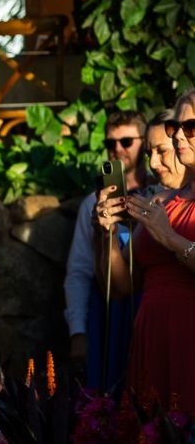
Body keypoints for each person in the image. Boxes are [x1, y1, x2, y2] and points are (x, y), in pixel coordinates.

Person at [96, 91, 195, 412]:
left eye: (189, 126)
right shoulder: (160, 202)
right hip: (151, 341)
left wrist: (169, 238)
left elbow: (170, 242)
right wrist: (108, 234)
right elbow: (122, 287)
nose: (179, 135)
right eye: (175, 128)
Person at [63, 111, 146, 389]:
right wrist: (79, 331)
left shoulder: (162, 196)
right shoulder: (93, 204)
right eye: (111, 143)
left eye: (126, 141)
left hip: (148, 313)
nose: (118, 150)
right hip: (109, 316)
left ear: (144, 142)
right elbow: (79, 271)